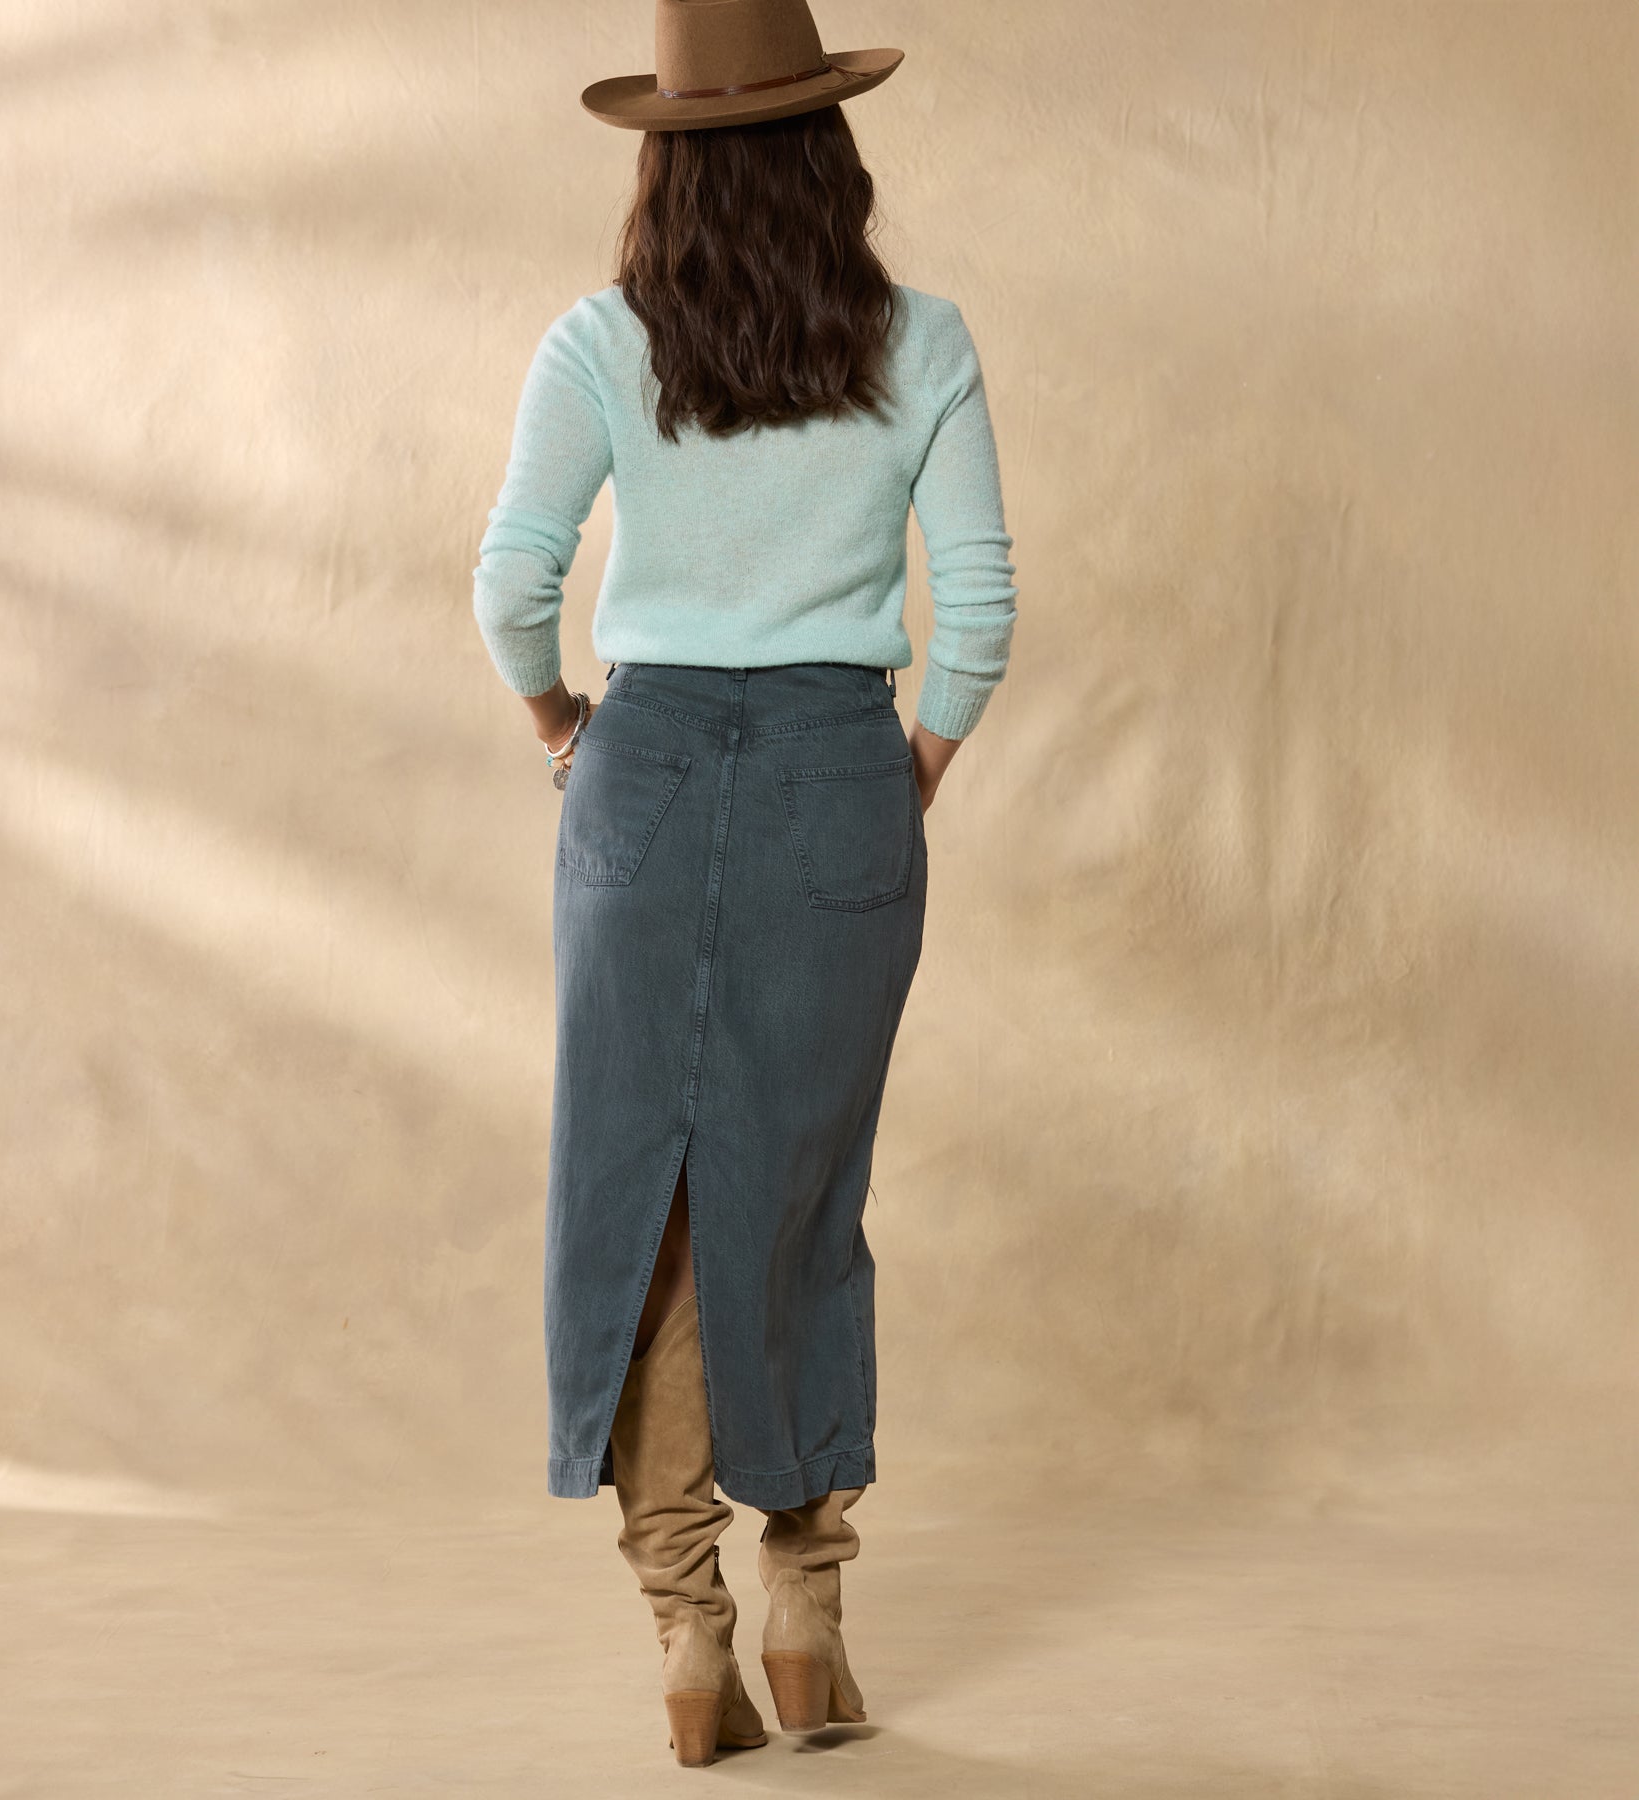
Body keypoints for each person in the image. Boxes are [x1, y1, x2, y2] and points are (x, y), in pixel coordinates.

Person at [471, 0, 1017, 1768]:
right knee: (802, 1190)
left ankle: (687, 1633)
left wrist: (565, 731)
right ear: (830, 148)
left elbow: (511, 587)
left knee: (643, 1198)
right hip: (836, 776)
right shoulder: (921, 340)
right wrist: (900, 776)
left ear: (665, 163)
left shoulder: (598, 342)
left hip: (640, 774)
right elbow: (980, 612)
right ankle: (808, 1609)